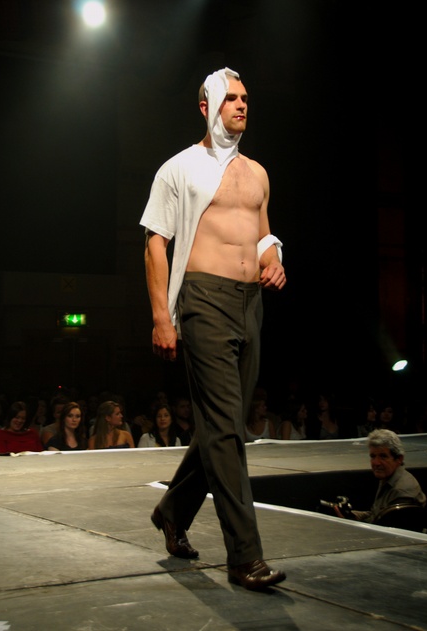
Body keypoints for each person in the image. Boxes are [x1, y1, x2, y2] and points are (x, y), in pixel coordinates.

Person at [140, 67, 287, 591]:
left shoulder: (257, 173)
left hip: (250, 304)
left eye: (246, 98)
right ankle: (245, 557)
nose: (242, 105)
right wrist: (162, 317)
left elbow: (262, 234)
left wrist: (274, 258)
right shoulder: (178, 168)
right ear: (207, 106)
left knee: (224, 425)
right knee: (225, 430)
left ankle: (172, 511)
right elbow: (155, 243)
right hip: (203, 300)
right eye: (232, 98)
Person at [334, 429, 426, 523]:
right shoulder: (388, 477)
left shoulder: (401, 492)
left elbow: (383, 526)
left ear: (399, 459)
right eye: (373, 456)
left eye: (383, 456)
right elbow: (375, 515)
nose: (376, 463)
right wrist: (351, 515)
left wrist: (350, 522)